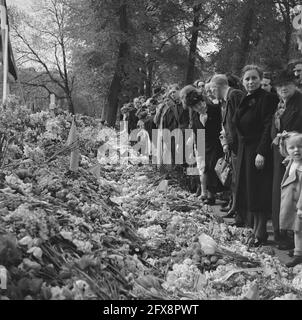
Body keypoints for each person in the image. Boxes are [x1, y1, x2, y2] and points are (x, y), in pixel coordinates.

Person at [234, 65, 279, 245]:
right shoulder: (246, 98)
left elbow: (268, 126)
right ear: (242, 81)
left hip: (258, 150)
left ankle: (261, 232)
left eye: (254, 78)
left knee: (259, 190)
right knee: (249, 190)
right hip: (245, 149)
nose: (251, 82)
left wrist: (261, 151)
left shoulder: (267, 98)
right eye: (247, 79)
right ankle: (254, 229)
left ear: (260, 79)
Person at [271, 70, 302, 248]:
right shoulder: (281, 104)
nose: (283, 88)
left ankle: (295, 242)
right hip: (281, 156)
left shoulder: (299, 102)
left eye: (287, 84)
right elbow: (272, 126)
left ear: (295, 84)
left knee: (296, 199)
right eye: (279, 85)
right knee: (284, 196)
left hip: (297, 157)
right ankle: (285, 235)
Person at [210, 74, 245, 217]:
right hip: (232, 146)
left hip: (239, 145)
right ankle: (234, 207)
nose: (211, 93)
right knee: (234, 179)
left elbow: (240, 121)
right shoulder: (225, 100)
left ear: (217, 86)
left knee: (238, 179)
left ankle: (239, 211)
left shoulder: (234, 95)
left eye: (212, 90)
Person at [277, 132, 302, 267]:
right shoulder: (292, 162)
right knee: (296, 229)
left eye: (300, 147)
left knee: (299, 230)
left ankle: (299, 254)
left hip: (298, 203)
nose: (297, 150)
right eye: (292, 148)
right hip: (292, 201)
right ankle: (298, 249)